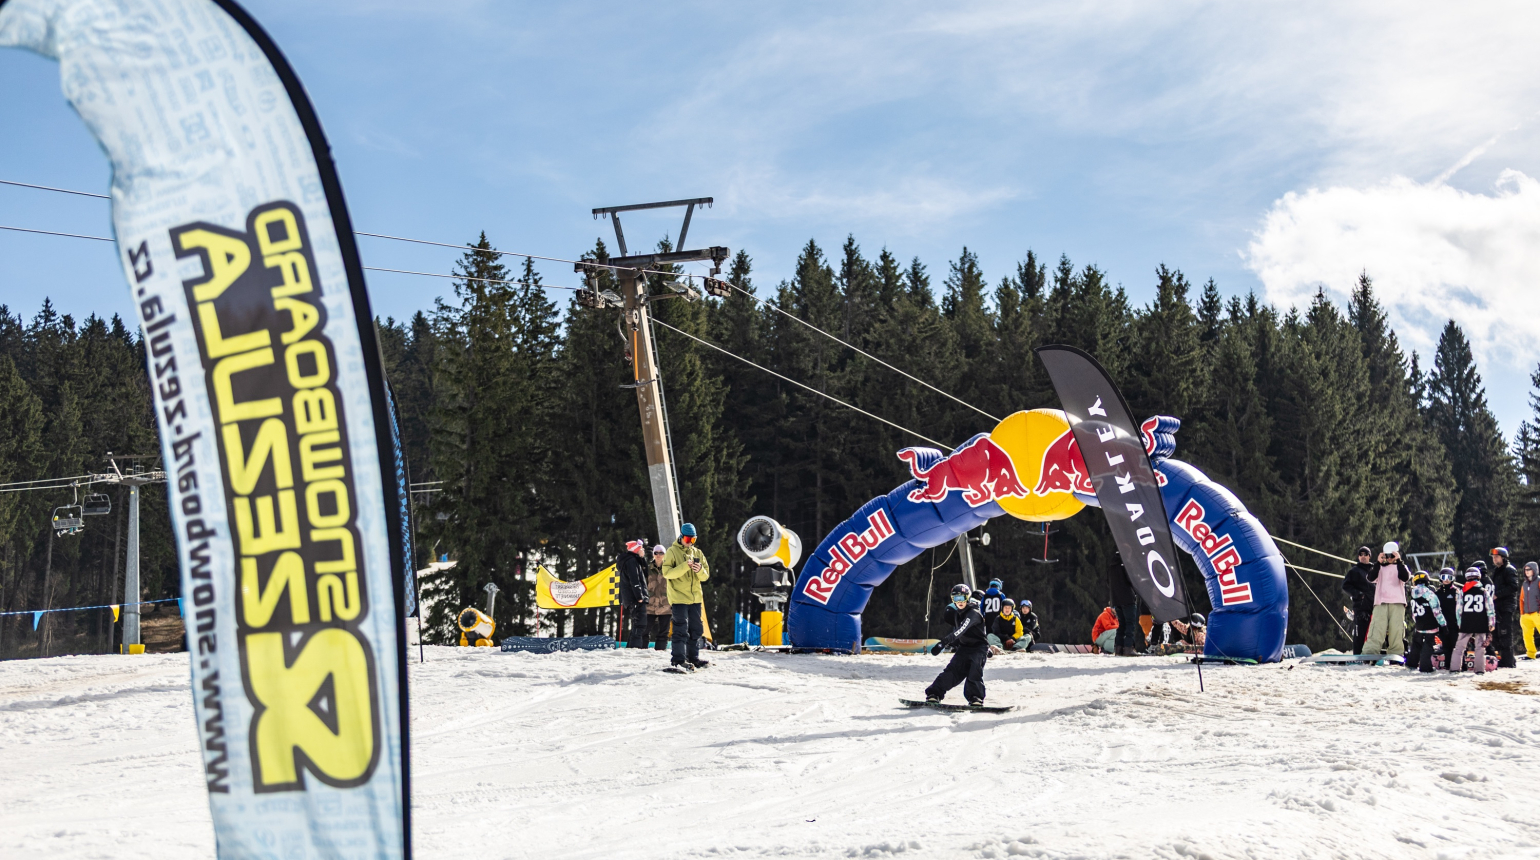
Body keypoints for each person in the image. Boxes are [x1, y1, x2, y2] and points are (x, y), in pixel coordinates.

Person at [924, 584, 990, 706]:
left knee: (974, 671)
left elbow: (960, 631)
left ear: (968, 598)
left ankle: (975, 698)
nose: (959, 602)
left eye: (962, 598)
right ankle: (934, 694)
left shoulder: (973, 613)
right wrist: (952, 644)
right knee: (952, 671)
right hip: (964, 648)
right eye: (956, 598)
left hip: (979, 648)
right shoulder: (957, 613)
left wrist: (943, 643)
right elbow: (962, 635)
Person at [662, 523, 711, 671]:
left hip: (695, 598)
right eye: (688, 539)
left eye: (693, 540)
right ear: (681, 537)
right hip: (679, 598)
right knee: (680, 629)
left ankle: (693, 658)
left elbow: (705, 576)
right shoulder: (672, 551)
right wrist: (684, 566)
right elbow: (667, 573)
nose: (690, 542)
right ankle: (678, 659)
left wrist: (699, 569)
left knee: (696, 629)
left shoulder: (698, 553)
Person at [1364, 542, 1410, 657]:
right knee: (1377, 629)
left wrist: (1399, 561)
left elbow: (1405, 577)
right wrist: (1378, 562)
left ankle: (1396, 654)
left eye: (1392, 556)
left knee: (1396, 630)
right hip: (1381, 602)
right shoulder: (1379, 567)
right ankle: (1370, 652)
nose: (1389, 559)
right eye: (1387, 556)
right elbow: (1370, 578)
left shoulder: (1401, 566)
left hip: (1397, 603)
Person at [1452, 567, 1496, 674]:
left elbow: (1458, 609)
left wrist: (1459, 622)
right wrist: (1491, 622)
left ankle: (1454, 669)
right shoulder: (1484, 591)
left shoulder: (1462, 592)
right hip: (1481, 622)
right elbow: (1490, 608)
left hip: (1466, 622)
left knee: (1459, 647)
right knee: (1480, 648)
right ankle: (1480, 670)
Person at [1406, 571, 1447, 673]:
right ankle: (1425, 667)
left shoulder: (1413, 593)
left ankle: (1411, 663)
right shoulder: (1430, 594)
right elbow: (1437, 611)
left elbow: (1413, 612)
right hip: (1430, 623)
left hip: (1419, 623)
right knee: (1428, 645)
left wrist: (1417, 622)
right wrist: (1443, 624)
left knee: (1416, 643)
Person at [1342, 546, 1377, 654]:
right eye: (1360, 554)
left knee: (1373, 633)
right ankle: (1357, 655)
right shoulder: (1354, 571)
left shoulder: (1374, 571)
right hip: (1361, 607)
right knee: (1359, 633)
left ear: (1369, 556)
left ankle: (1371, 654)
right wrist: (1358, 594)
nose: (1363, 557)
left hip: (1375, 607)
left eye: (1365, 554)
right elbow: (1345, 586)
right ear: (1358, 557)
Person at [616, 539, 651, 648]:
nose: (643, 550)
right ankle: (634, 648)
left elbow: (645, 573)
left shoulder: (634, 560)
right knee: (640, 624)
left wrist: (642, 558)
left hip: (632, 598)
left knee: (637, 624)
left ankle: (631, 648)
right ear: (636, 549)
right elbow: (634, 580)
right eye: (641, 548)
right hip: (635, 598)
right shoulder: (631, 561)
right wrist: (639, 597)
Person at [1489, 547, 1520, 668]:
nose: (1494, 559)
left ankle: (1508, 662)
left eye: (1496, 557)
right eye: (1493, 557)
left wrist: (1497, 594)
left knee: (1505, 634)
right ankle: (1507, 659)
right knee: (1497, 634)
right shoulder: (1497, 570)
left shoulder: (1509, 570)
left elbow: (1513, 587)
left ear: (1503, 557)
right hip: (1498, 606)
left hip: (1506, 606)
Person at [645, 545, 672, 651]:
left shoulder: (670, 569)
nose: (658, 555)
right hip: (649, 605)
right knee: (644, 631)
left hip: (666, 605)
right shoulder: (647, 569)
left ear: (665, 554)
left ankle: (660, 652)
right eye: (656, 553)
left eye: (661, 553)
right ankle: (642, 653)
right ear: (653, 554)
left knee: (663, 632)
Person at [1436, 568, 1460, 669]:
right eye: (1444, 577)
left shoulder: (1456, 591)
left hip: (1454, 624)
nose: (1446, 580)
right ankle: (1448, 665)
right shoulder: (1438, 593)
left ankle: (1458, 665)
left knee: (1456, 646)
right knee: (1446, 647)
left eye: (1449, 577)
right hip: (1443, 625)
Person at [1520, 562, 1540, 660]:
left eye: (1529, 569)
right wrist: (1522, 613)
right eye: (1525, 570)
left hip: (1537, 613)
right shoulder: (1524, 583)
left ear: (1534, 570)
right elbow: (1521, 599)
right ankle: (1531, 654)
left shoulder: (1539, 581)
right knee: (1527, 636)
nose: (1526, 572)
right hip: (1526, 614)